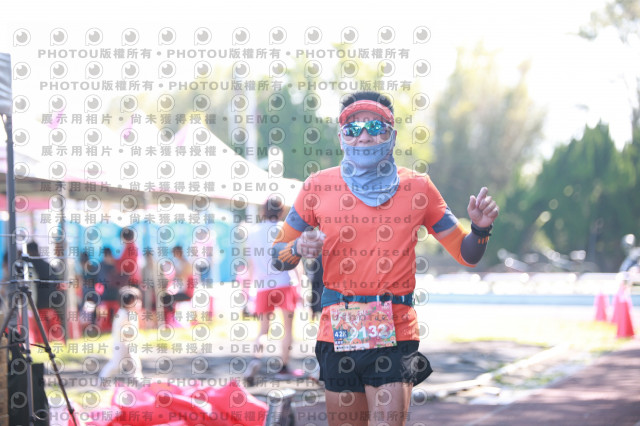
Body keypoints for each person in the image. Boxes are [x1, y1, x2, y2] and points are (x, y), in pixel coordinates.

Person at [271, 91, 499, 425]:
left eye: (375, 126)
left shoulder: (419, 187)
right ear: (341, 136)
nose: (363, 135)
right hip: (339, 329)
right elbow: (277, 256)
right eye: (353, 128)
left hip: (395, 329)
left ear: (391, 135)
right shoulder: (317, 186)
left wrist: (480, 228)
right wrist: (297, 249)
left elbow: (467, 255)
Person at [245, 197, 300, 381]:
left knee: (263, 329)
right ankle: (284, 367)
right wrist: (301, 282)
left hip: (263, 285)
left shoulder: (252, 232)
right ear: (281, 211)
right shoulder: (286, 229)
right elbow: (295, 259)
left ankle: (255, 359)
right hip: (285, 282)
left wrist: (249, 289)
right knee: (287, 328)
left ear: (263, 211)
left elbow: (251, 263)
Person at [99, 285, 144, 385]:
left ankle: (139, 381)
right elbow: (125, 330)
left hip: (129, 344)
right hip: (120, 345)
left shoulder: (131, 314)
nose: (139, 304)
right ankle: (102, 380)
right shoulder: (123, 314)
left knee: (135, 364)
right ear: (128, 303)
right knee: (116, 365)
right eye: (136, 301)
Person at [26, 241, 65, 343]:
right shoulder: (47, 265)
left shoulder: (29, 265)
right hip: (52, 303)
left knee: (41, 329)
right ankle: (59, 341)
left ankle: (44, 342)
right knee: (55, 328)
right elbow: (57, 283)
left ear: (28, 251)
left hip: (38, 304)